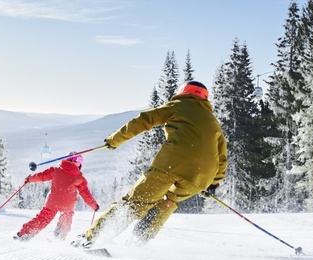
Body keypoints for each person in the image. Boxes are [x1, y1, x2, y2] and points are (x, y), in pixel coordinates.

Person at [71, 80, 227, 248]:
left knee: (135, 202)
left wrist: (113, 140)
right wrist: (213, 183)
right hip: (201, 177)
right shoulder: (212, 121)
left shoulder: (178, 105)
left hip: (170, 165)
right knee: (169, 201)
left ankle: (91, 238)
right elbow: (222, 155)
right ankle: (140, 239)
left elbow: (144, 120)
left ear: (183, 92)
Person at [14, 152, 100, 241]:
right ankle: (59, 237)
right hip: (67, 205)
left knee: (42, 219)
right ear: (79, 165)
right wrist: (94, 205)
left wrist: (29, 179)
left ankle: (24, 234)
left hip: (52, 202)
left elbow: (42, 176)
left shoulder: (55, 171)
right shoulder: (79, 178)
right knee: (66, 220)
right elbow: (86, 194)